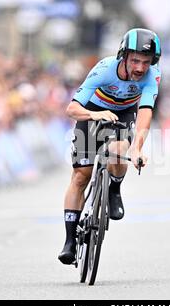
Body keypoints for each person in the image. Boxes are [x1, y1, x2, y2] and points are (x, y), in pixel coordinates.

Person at [58, 28, 162, 265]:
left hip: (124, 114)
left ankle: (114, 189)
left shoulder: (152, 75)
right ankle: (69, 241)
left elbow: (145, 111)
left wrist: (137, 147)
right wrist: (95, 116)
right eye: (135, 60)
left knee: (117, 152)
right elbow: (71, 109)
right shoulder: (105, 69)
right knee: (80, 177)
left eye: (146, 62)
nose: (139, 68)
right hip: (92, 114)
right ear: (123, 56)